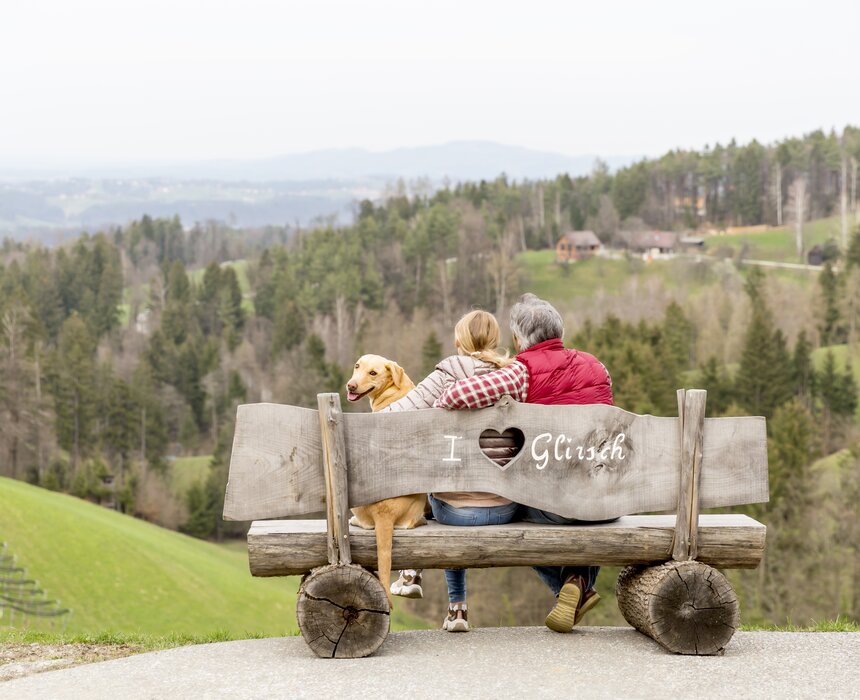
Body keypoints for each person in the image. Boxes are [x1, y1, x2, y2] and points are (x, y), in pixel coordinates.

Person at [434, 293, 613, 632]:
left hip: (555, 504)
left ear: (517, 338)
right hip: (606, 496)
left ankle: (570, 585)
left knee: (516, 508)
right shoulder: (595, 364)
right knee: (584, 499)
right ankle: (577, 578)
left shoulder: (520, 371)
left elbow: (454, 397)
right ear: (559, 331)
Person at [380, 310, 517, 632]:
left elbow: (398, 413)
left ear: (458, 340)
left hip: (457, 512)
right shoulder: (513, 375)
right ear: (495, 341)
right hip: (508, 507)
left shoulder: (447, 373)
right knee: (452, 485)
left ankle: (444, 597)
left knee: (438, 489)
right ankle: (444, 602)